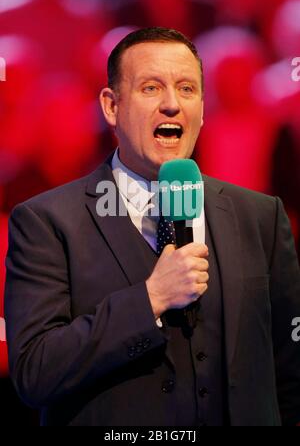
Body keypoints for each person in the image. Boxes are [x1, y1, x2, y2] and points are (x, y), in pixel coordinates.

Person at [4, 27, 300, 427]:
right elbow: (35, 371)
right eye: (151, 88)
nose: (172, 105)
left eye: (187, 89)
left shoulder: (260, 216)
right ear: (111, 106)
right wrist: (151, 298)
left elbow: (289, 370)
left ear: (202, 108)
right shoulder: (46, 222)